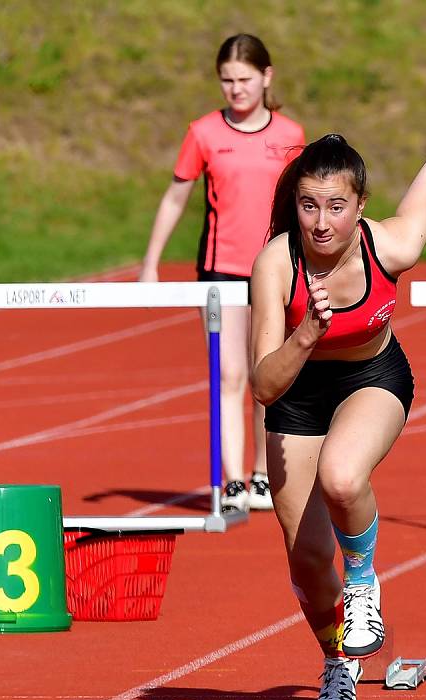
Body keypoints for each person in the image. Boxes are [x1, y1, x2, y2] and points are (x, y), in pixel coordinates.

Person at [249, 134, 426, 700]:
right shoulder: (275, 264)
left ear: (361, 205)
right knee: (306, 560)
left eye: (336, 206)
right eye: (309, 205)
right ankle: (339, 664)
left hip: (372, 377)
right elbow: (265, 385)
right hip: (295, 392)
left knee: (342, 477)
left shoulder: (392, 246)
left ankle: (364, 581)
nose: (322, 222)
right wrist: (306, 335)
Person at [139, 34, 305, 513]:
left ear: (266, 77)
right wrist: (151, 263)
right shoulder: (205, 133)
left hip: (274, 268)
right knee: (229, 373)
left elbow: (306, 201)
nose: (235, 90)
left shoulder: (290, 135)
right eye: (227, 81)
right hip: (219, 271)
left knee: (266, 375)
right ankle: (233, 480)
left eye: (244, 80)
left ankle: (260, 474)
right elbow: (176, 196)